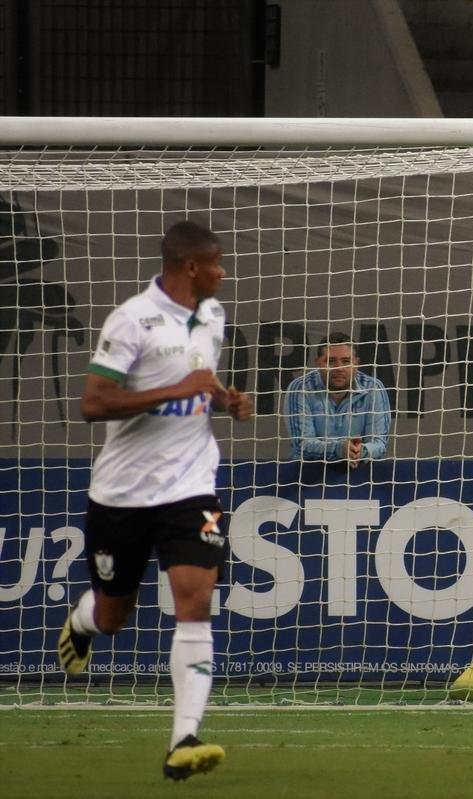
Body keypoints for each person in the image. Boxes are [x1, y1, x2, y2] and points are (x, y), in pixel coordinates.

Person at [58, 220, 252, 780]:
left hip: (193, 486)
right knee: (115, 614)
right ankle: (84, 621)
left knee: (197, 601)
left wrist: (224, 399)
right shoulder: (131, 319)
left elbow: (199, 382)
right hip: (122, 494)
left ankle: (184, 740)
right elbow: (93, 404)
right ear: (191, 266)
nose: (223, 272)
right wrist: (177, 390)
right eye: (216, 263)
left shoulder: (212, 316)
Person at [284, 332, 391, 468]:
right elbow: (303, 444)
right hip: (306, 475)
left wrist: (358, 451)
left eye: (346, 361)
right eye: (331, 361)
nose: (338, 368)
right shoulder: (300, 388)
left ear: (356, 363)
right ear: (318, 363)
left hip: (358, 475)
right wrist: (340, 449)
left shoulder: (374, 388)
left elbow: (379, 444)